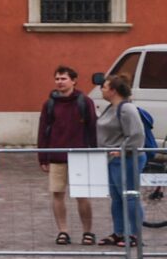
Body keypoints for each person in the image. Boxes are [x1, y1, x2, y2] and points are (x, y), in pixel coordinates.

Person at [39, 64, 100, 244]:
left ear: (73, 81)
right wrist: (42, 156)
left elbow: (93, 128)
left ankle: (87, 232)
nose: (60, 82)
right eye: (57, 78)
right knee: (57, 194)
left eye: (63, 78)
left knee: (82, 195)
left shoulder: (84, 102)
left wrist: (94, 153)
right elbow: (43, 130)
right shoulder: (49, 104)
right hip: (57, 155)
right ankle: (63, 231)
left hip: (80, 155)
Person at [98, 73, 144, 245]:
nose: (101, 89)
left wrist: (122, 150)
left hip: (127, 159)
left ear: (113, 90)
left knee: (130, 196)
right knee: (117, 198)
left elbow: (137, 135)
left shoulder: (126, 109)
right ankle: (119, 232)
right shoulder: (110, 108)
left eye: (104, 87)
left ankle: (134, 234)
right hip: (112, 160)